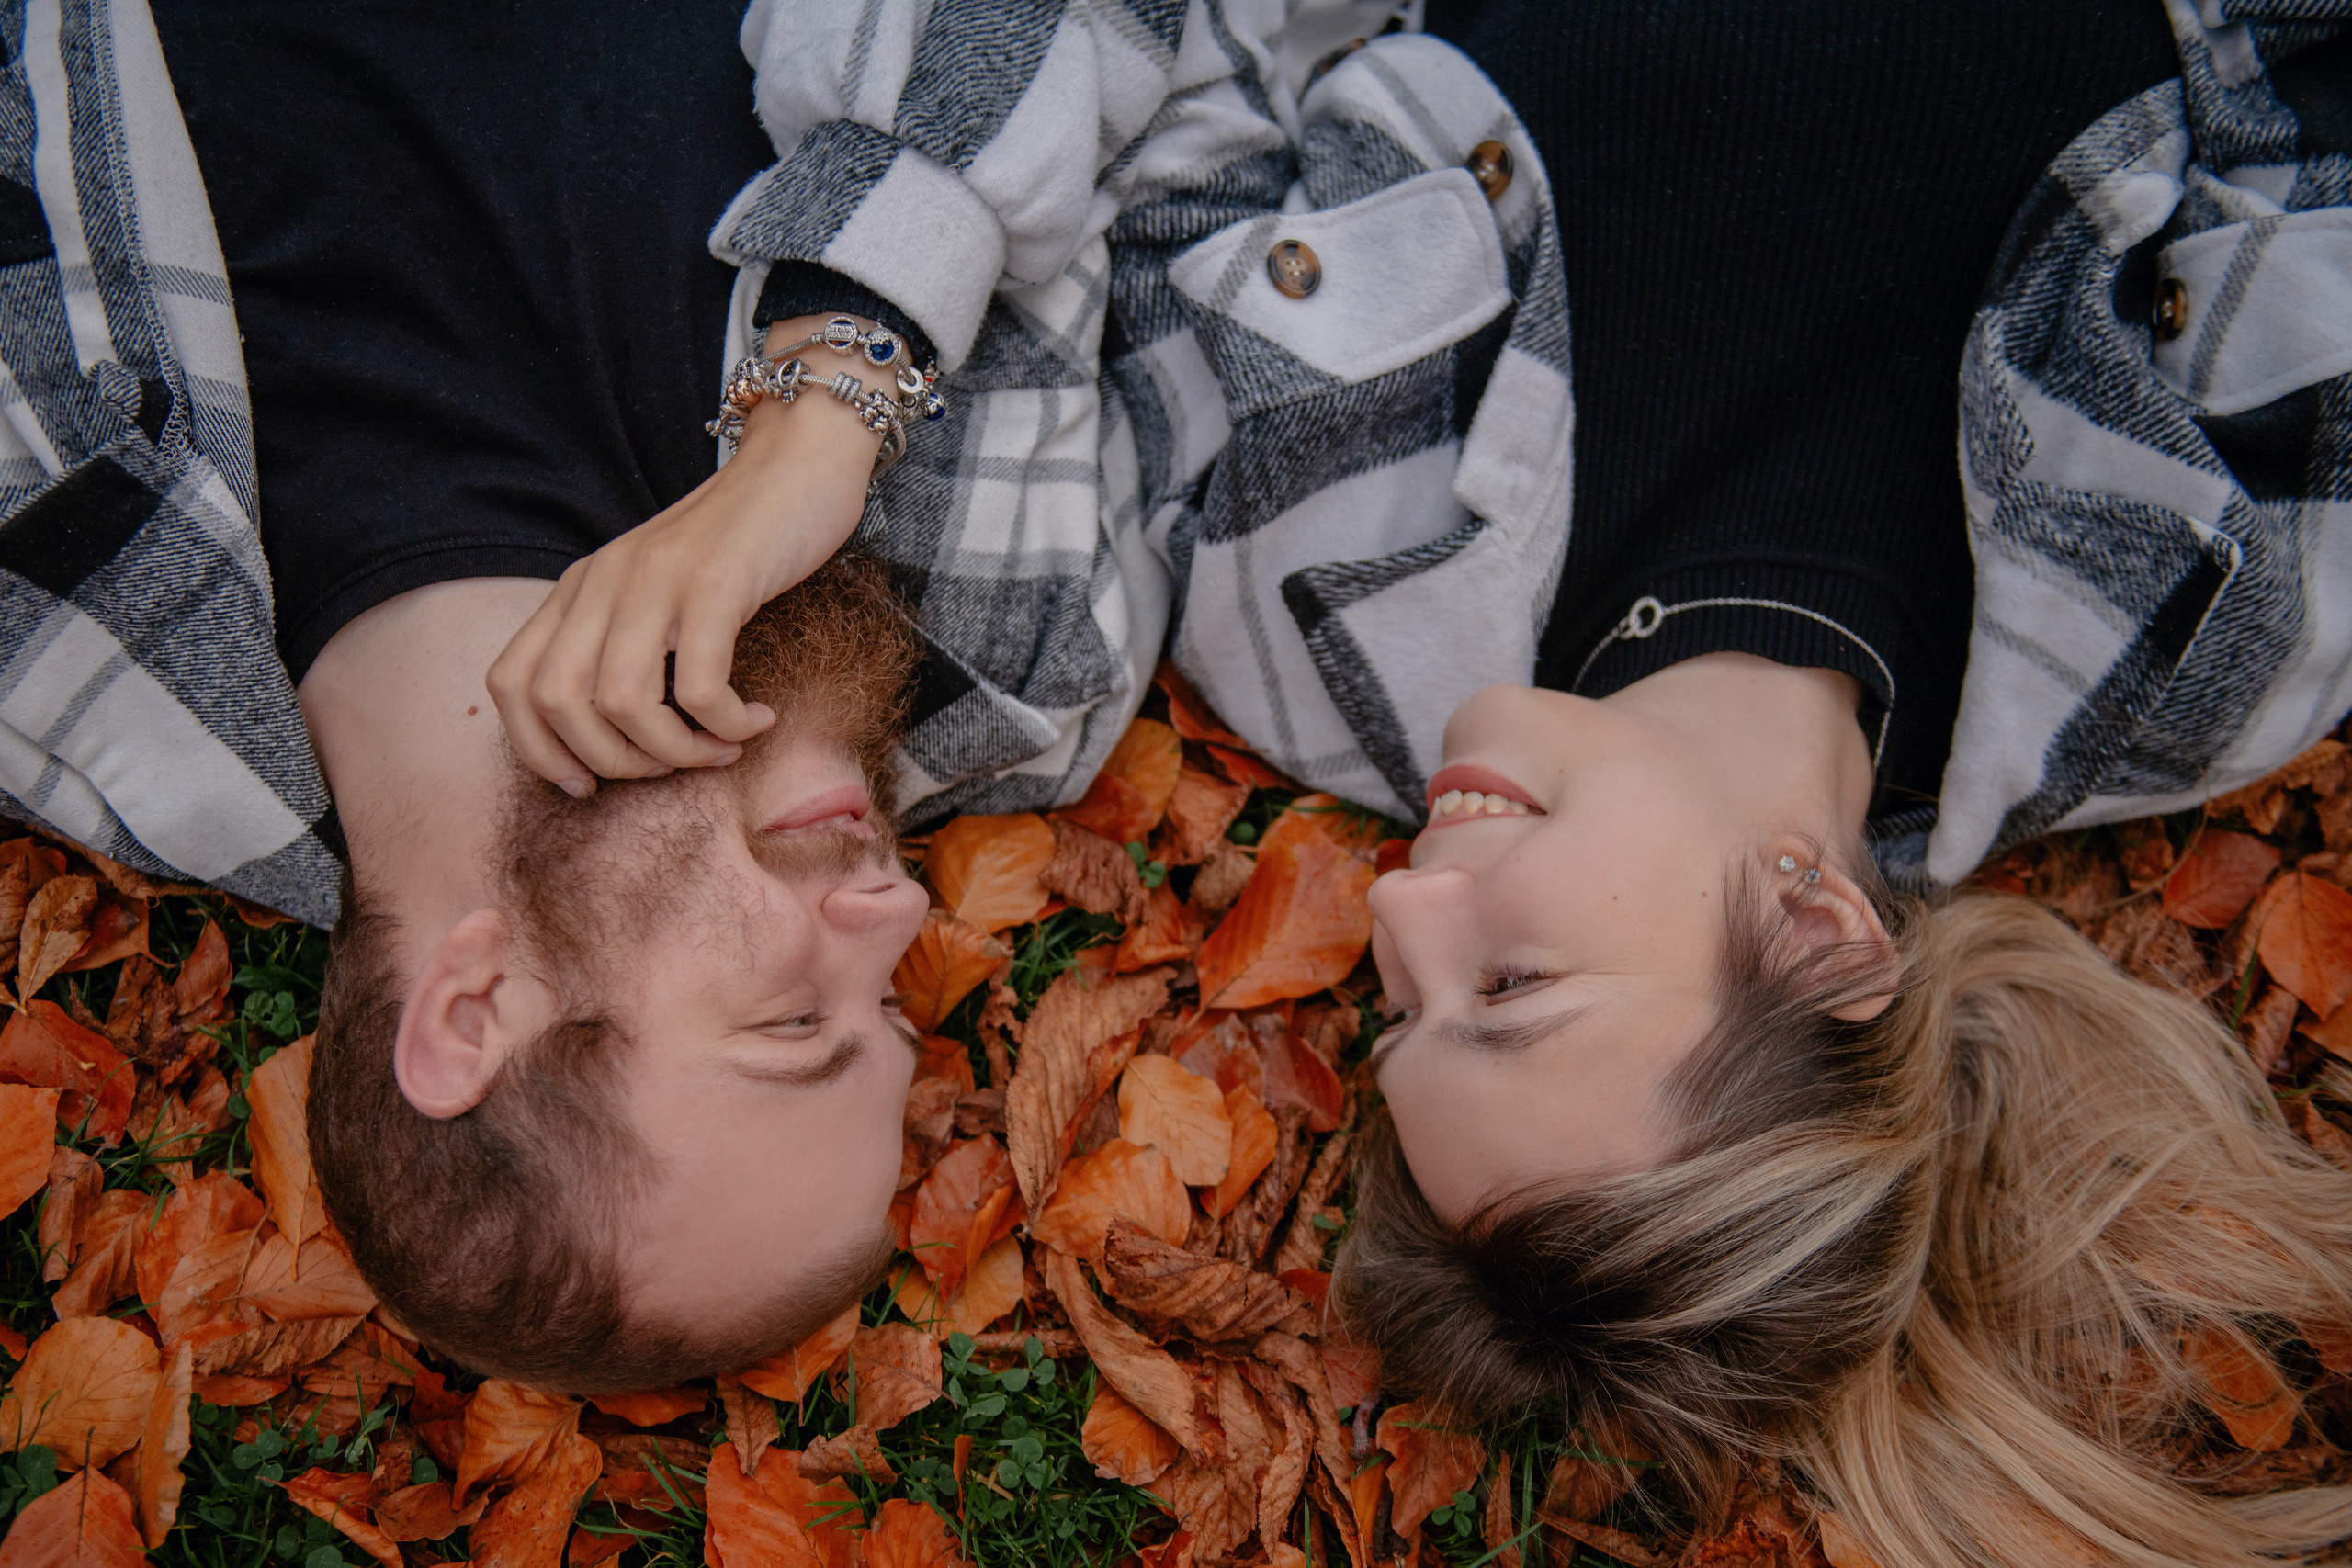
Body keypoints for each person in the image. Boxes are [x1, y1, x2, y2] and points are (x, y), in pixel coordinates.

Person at [0, 0, 1573, 1388]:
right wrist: (838, 393)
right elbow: (1191, 75)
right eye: (880, 1013)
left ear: (477, 1010)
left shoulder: (49, 604)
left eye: (791, 1020)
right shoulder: (1005, 659)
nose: (897, 918)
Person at [1329, 6, 2352, 1568]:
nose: (1400, 902)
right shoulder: (2215, 635)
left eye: (1401, 1013)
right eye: (1509, 983)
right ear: (1821, 934)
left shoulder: (1326, 593)